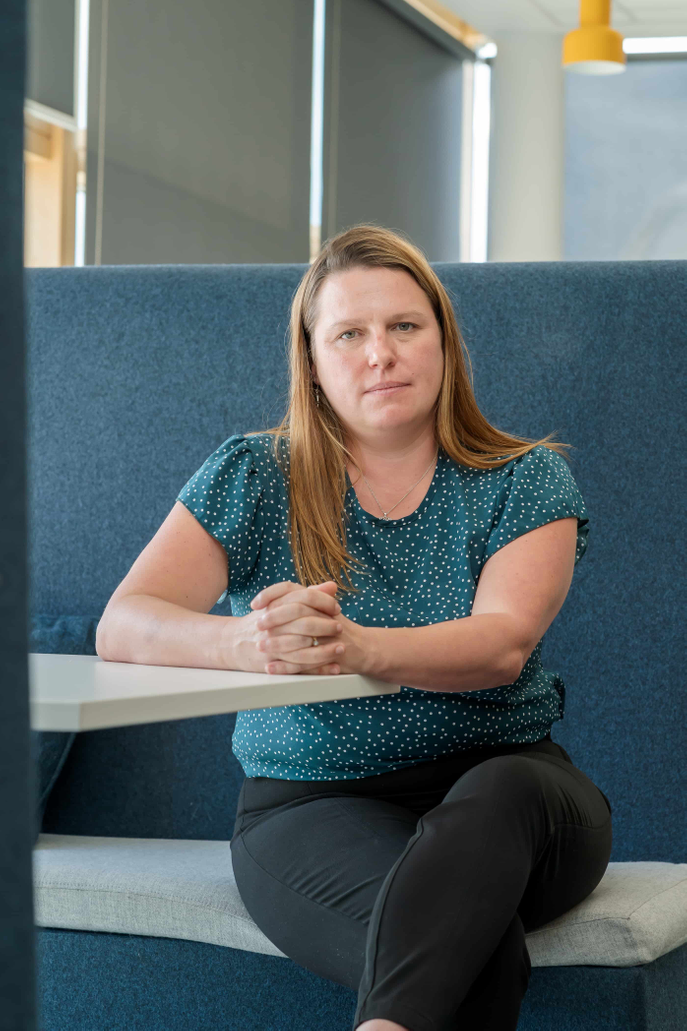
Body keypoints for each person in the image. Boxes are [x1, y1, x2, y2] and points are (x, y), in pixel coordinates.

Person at [96, 224, 613, 1031]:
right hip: (308, 806)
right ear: (312, 360)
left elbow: (502, 644)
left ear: (443, 341)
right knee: (475, 952)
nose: (381, 354)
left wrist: (356, 646)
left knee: (501, 792)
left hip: (515, 797)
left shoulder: (525, 477)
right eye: (350, 333)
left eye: (405, 326)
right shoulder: (252, 474)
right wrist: (249, 642)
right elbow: (123, 623)